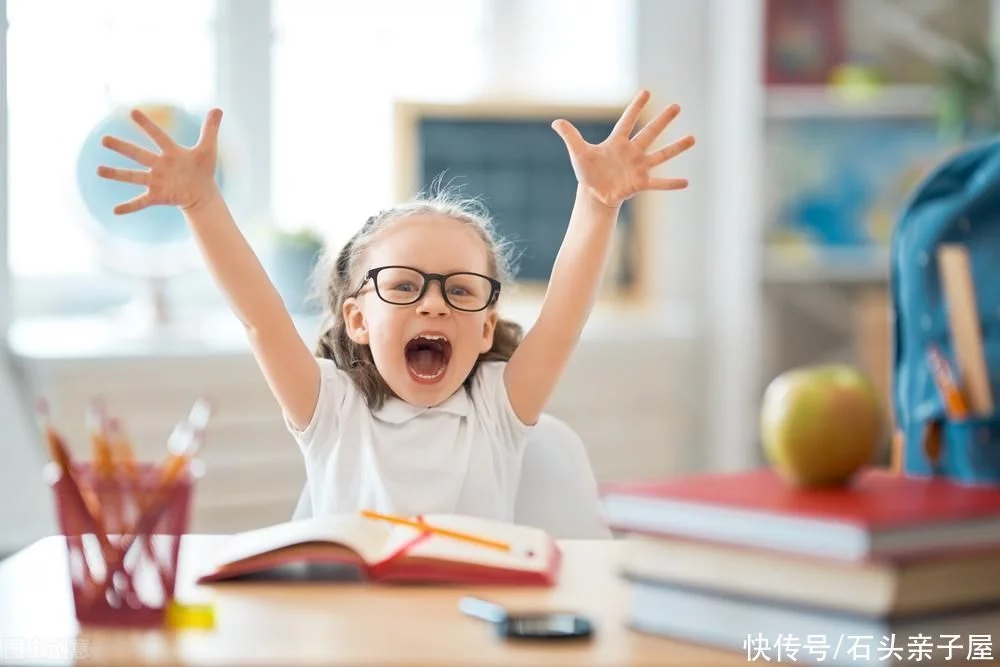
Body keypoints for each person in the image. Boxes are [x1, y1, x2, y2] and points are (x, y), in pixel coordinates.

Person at [96, 89, 695, 522]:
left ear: (487, 328)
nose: (434, 306)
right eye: (404, 287)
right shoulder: (329, 409)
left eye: (460, 291)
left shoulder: (499, 408)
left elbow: (563, 320)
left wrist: (597, 202)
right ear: (357, 319)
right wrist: (201, 204)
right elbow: (260, 316)